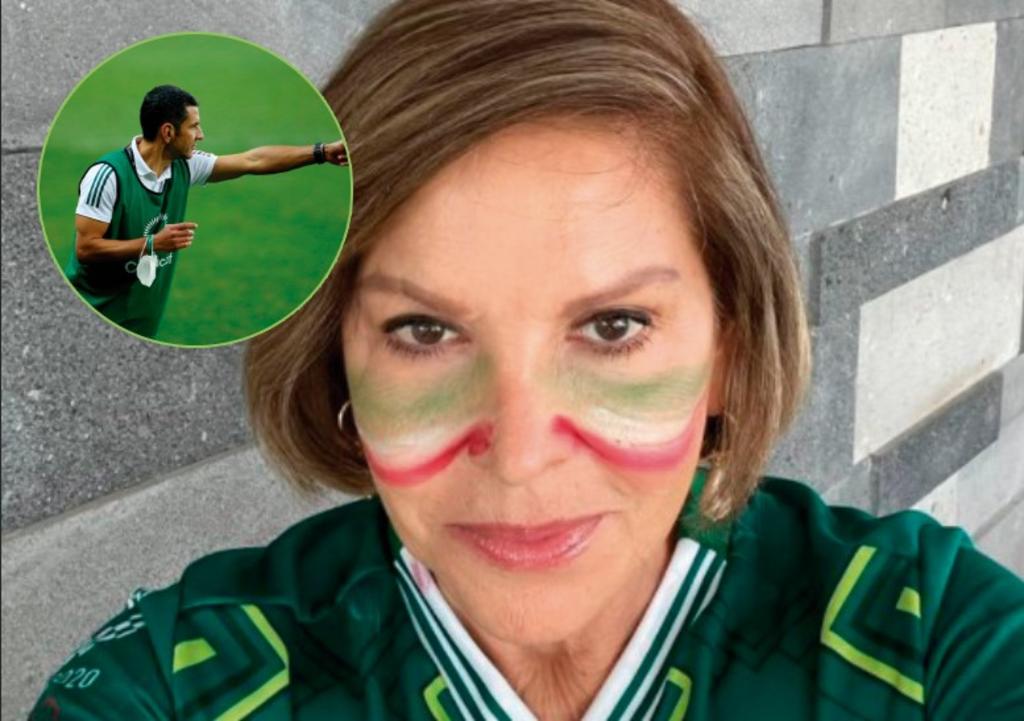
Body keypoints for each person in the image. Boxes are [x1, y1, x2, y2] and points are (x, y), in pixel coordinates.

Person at [32, 1, 1023, 719]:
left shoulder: (926, 637)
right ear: (337, 365)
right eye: (424, 332)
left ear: (728, 347)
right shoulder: (187, 679)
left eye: (613, 326)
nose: (517, 454)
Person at [66, 84, 348, 338]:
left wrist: (321, 152)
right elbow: (86, 248)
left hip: (142, 318)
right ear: (168, 132)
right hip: (92, 314)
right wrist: (152, 243)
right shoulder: (107, 176)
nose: (201, 135)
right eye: (194, 127)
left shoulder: (184, 165)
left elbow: (253, 161)